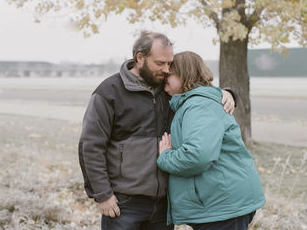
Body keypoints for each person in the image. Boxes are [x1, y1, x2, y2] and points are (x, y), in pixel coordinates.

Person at [78, 31, 236, 230]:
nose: (166, 69)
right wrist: (102, 195)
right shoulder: (109, 91)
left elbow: (201, 91)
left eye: (169, 63)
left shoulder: (169, 88)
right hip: (123, 202)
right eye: (160, 63)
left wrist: (227, 92)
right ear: (140, 58)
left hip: (163, 203)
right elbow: (90, 146)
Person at [157, 51, 266, 230]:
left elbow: (197, 156)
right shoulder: (193, 103)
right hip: (220, 203)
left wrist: (165, 157)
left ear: (185, 74)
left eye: (169, 74)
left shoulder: (199, 106)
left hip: (224, 206)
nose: (164, 78)